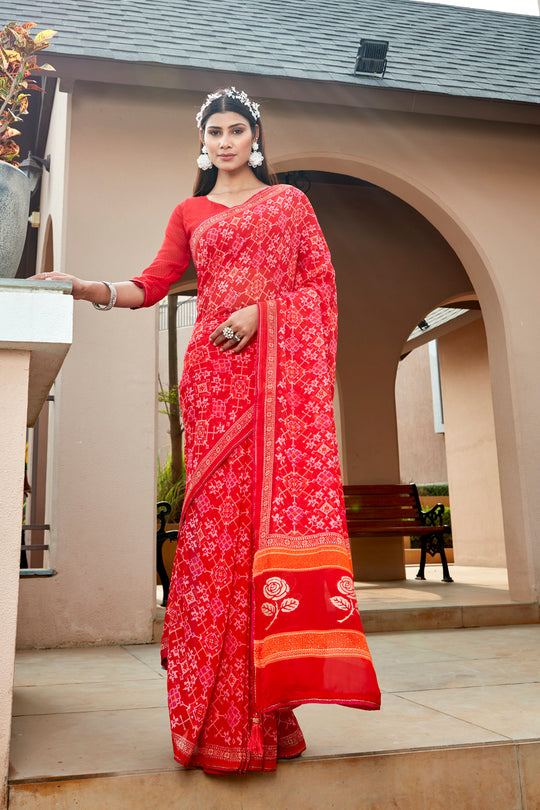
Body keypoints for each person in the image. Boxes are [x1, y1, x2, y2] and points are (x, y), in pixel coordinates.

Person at [32, 87, 381, 774]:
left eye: (237, 129)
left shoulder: (291, 204)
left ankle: (266, 716)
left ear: (257, 136)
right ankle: (214, 715)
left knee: (260, 530)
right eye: (214, 131)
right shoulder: (190, 211)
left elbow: (322, 289)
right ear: (203, 141)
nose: (225, 141)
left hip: (274, 384)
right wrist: (81, 286)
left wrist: (260, 314)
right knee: (217, 530)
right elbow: (151, 284)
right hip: (214, 381)